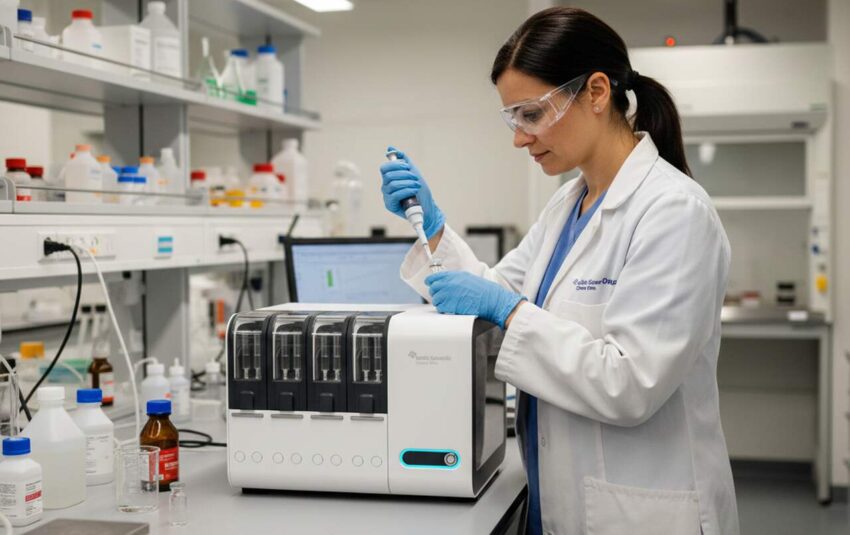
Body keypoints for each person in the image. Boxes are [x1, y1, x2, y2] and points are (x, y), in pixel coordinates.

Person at [379, 6, 739, 535]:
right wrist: (432, 228)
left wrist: (508, 310)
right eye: (512, 118)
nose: (520, 138)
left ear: (596, 92)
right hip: (559, 496)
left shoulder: (674, 212)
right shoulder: (567, 205)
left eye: (531, 113)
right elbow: (493, 291)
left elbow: (630, 383)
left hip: (642, 511)